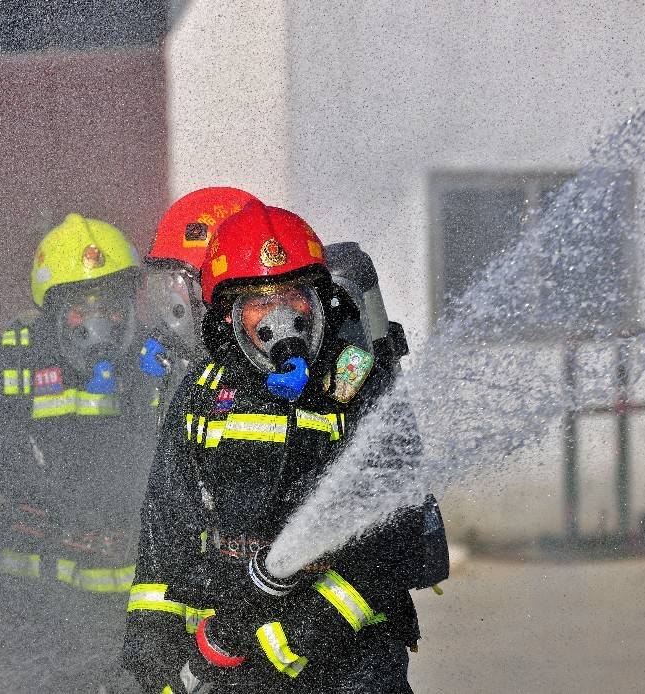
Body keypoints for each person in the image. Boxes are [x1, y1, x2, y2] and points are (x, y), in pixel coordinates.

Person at [121, 199, 449, 693]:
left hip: (350, 666)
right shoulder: (203, 395)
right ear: (229, 316)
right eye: (259, 303)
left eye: (293, 298)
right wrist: (154, 642)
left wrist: (300, 634)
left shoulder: (359, 384)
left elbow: (401, 537)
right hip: (236, 647)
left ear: (318, 301)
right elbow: (167, 531)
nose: (281, 320)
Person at [0, 213, 158, 692]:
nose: (98, 323)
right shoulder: (6, 368)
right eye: (79, 309)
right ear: (51, 312)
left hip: (138, 607)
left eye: (110, 304)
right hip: (37, 608)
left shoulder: (159, 365)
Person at [138, 187, 258, 413]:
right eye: (160, 283)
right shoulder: (175, 362)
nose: (167, 295)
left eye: (174, 280)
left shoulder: (250, 376)